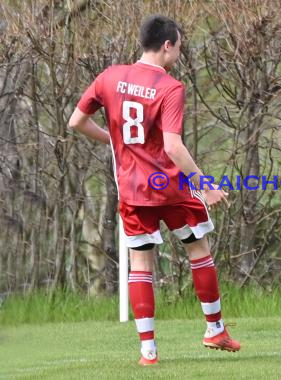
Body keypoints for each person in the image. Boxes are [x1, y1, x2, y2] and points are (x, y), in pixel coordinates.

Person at [68, 15, 240, 365]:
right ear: (167, 46)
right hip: (170, 186)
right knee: (199, 250)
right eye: (179, 46)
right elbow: (174, 147)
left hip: (132, 191)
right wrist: (205, 185)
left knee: (141, 264)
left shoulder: (109, 77)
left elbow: (76, 122)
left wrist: (114, 141)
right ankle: (215, 329)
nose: (179, 51)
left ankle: (148, 351)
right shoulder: (170, 87)